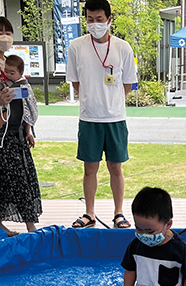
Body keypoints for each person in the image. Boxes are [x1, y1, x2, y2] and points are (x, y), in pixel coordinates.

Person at [66, 0, 138, 230]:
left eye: (99, 19)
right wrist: (92, 99)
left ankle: (119, 213)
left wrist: (112, 101)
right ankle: (89, 213)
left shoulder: (122, 47)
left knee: (116, 168)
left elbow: (128, 83)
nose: (94, 24)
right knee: (90, 169)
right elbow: (76, 82)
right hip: (89, 118)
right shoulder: (76, 46)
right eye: (89, 19)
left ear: (109, 19)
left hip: (115, 118)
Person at [0, 16, 42, 236]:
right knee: (1, 175)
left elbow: (23, 98)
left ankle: (27, 223)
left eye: (8, 31)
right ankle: (8, 223)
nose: (4, 36)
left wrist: (28, 128)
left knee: (22, 172)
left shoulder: (10, 62)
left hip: (16, 124)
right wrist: (1, 101)